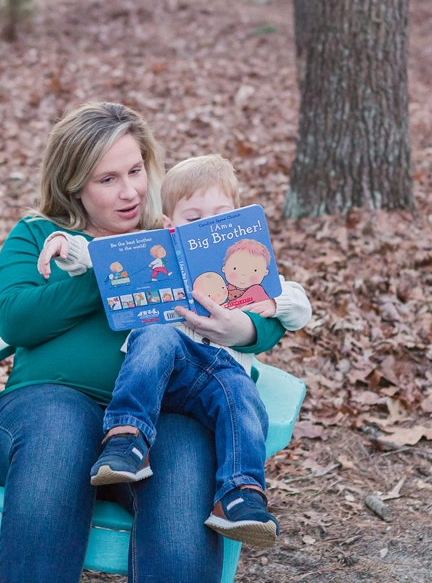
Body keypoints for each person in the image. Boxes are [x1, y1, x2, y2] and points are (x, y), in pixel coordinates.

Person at [0, 103, 288, 583]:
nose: (129, 192)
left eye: (134, 171)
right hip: (43, 414)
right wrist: (113, 270)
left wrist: (242, 330)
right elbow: (16, 319)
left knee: (188, 457)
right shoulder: (41, 236)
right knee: (65, 430)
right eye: (106, 180)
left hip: (160, 420)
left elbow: (262, 305)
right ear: (73, 185)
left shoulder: (174, 240)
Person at [44, 154, 310, 549]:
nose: (206, 224)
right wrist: (66, 245)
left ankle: (239, 496)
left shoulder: (248, 262)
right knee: (155, 334)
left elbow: (300, 304)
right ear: (170, 224)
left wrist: (275, 303)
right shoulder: (158, 252)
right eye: (192, 216)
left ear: (236, 216)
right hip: (163, 370)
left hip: (218, 372)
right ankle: (126, 440)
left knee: (243, 398)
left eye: (220, 214)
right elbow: (100, 257)